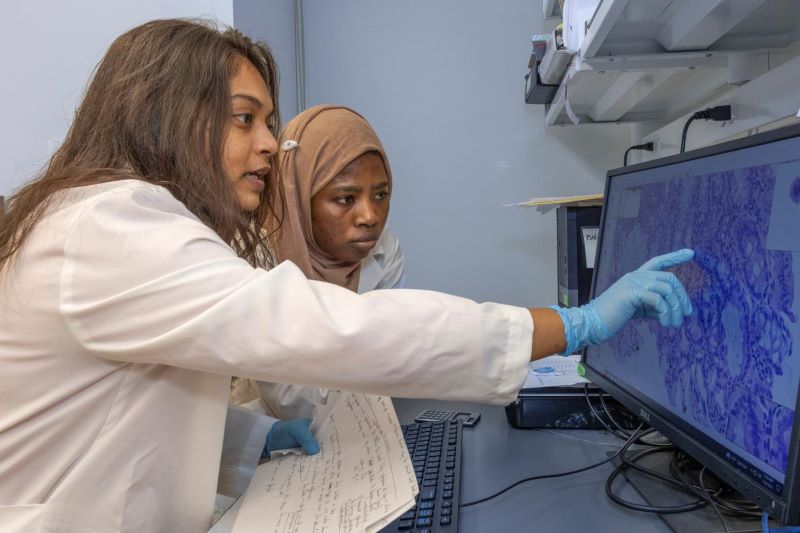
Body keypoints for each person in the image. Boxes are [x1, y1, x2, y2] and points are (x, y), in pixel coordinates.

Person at [0, 18, 694, 533]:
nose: (272, 143)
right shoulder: (109, 224)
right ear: (164, 120)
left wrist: (246, 436)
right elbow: (325, 327)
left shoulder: (115, 223)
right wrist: (570, 324)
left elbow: (142, 406)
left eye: (269, 121)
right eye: (246, 119)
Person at [221, 105, 406, 495]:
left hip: (353, 446)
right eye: (345, 199)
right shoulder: (251, 257)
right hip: (254, 457)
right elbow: (292, 398)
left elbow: (381, 361)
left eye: (381, 194)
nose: (370, 216)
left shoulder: (384, 252)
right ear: (299, 193)